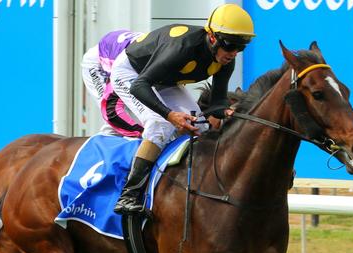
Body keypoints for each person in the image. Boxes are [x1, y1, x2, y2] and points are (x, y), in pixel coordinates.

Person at [109, 4, 255, 214]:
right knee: (160, 124)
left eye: (241, 47)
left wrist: (231, 113)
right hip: (132, 74)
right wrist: (170, 115)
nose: (234, 53)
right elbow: (139, 85)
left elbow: (216, 106)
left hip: (164, 80)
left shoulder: (225, 61)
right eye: (230, 45)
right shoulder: (183, 47)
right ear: (212, 37)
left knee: (202, 127)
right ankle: (128, 195)